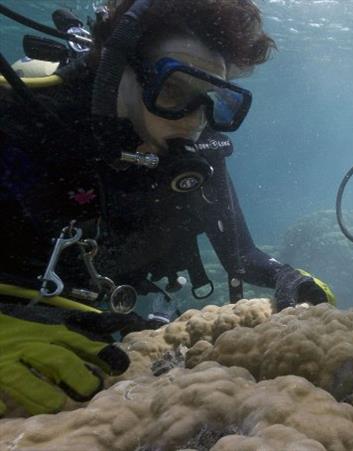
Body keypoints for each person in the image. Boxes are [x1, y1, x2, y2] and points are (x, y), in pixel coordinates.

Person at [0, 0, 333, 416]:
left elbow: (242, 256)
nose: (194, 120)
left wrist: (288, 278)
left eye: (214, 99)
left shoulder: (199, 149)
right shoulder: (22, 117)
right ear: (116, 66)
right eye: (174, 89)